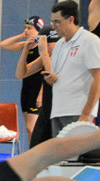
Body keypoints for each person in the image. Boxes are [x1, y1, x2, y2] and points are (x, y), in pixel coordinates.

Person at [45, 1, 100, 136]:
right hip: (58, 110)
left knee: (78, 150)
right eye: (52, 22)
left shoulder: (89, 40)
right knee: (59, 150)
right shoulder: (59, 45)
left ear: (71, 19)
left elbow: (98, 78)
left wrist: (86, 113)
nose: (54, 26)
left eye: (57, 22)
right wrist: (51, 79)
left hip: (79, 112)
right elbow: (57, 76)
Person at [0, 16, 46, 143]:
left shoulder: (43, 47)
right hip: (26, 89)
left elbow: (46, 72)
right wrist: (21, 36)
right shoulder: (27, 45)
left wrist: (41, 94)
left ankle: (37, 152)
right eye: (25, 28)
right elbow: (3, 44)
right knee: (28, 128)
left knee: (32, 128)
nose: (26, 31)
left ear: (38, 30)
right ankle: (32, 151)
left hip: (37, 90)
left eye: (29, 28)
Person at [16, 28, 59, 148]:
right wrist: (25, 50)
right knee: (35, 144)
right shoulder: (45, 57)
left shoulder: (61, 57)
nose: (43, 46)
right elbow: (20, 73)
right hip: (46, 109)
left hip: (59, 110)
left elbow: (51, 77)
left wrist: (44, 53)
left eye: (46, 43)